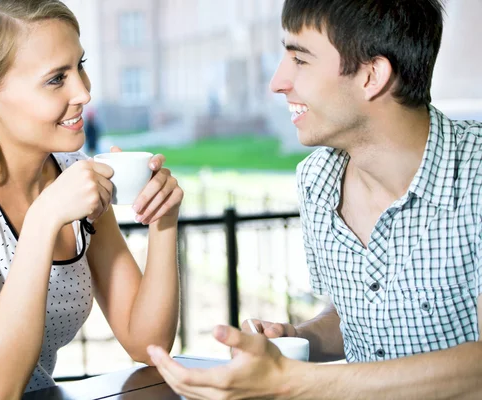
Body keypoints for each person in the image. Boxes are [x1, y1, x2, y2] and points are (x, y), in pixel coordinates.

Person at [148, 0, 482, 398]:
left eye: (299, 59)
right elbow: (355, 318)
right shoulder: (316, 179)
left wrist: (292, 383)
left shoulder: (475, 176)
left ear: (371, 75)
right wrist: (295, 339)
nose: (278, 81)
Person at [0, 1, 183, 398]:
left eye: (80, 65)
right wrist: (44, 220)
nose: (84, 91)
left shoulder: (71, 173)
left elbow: (147, 342)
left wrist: (163, 221)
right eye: (56, 79)